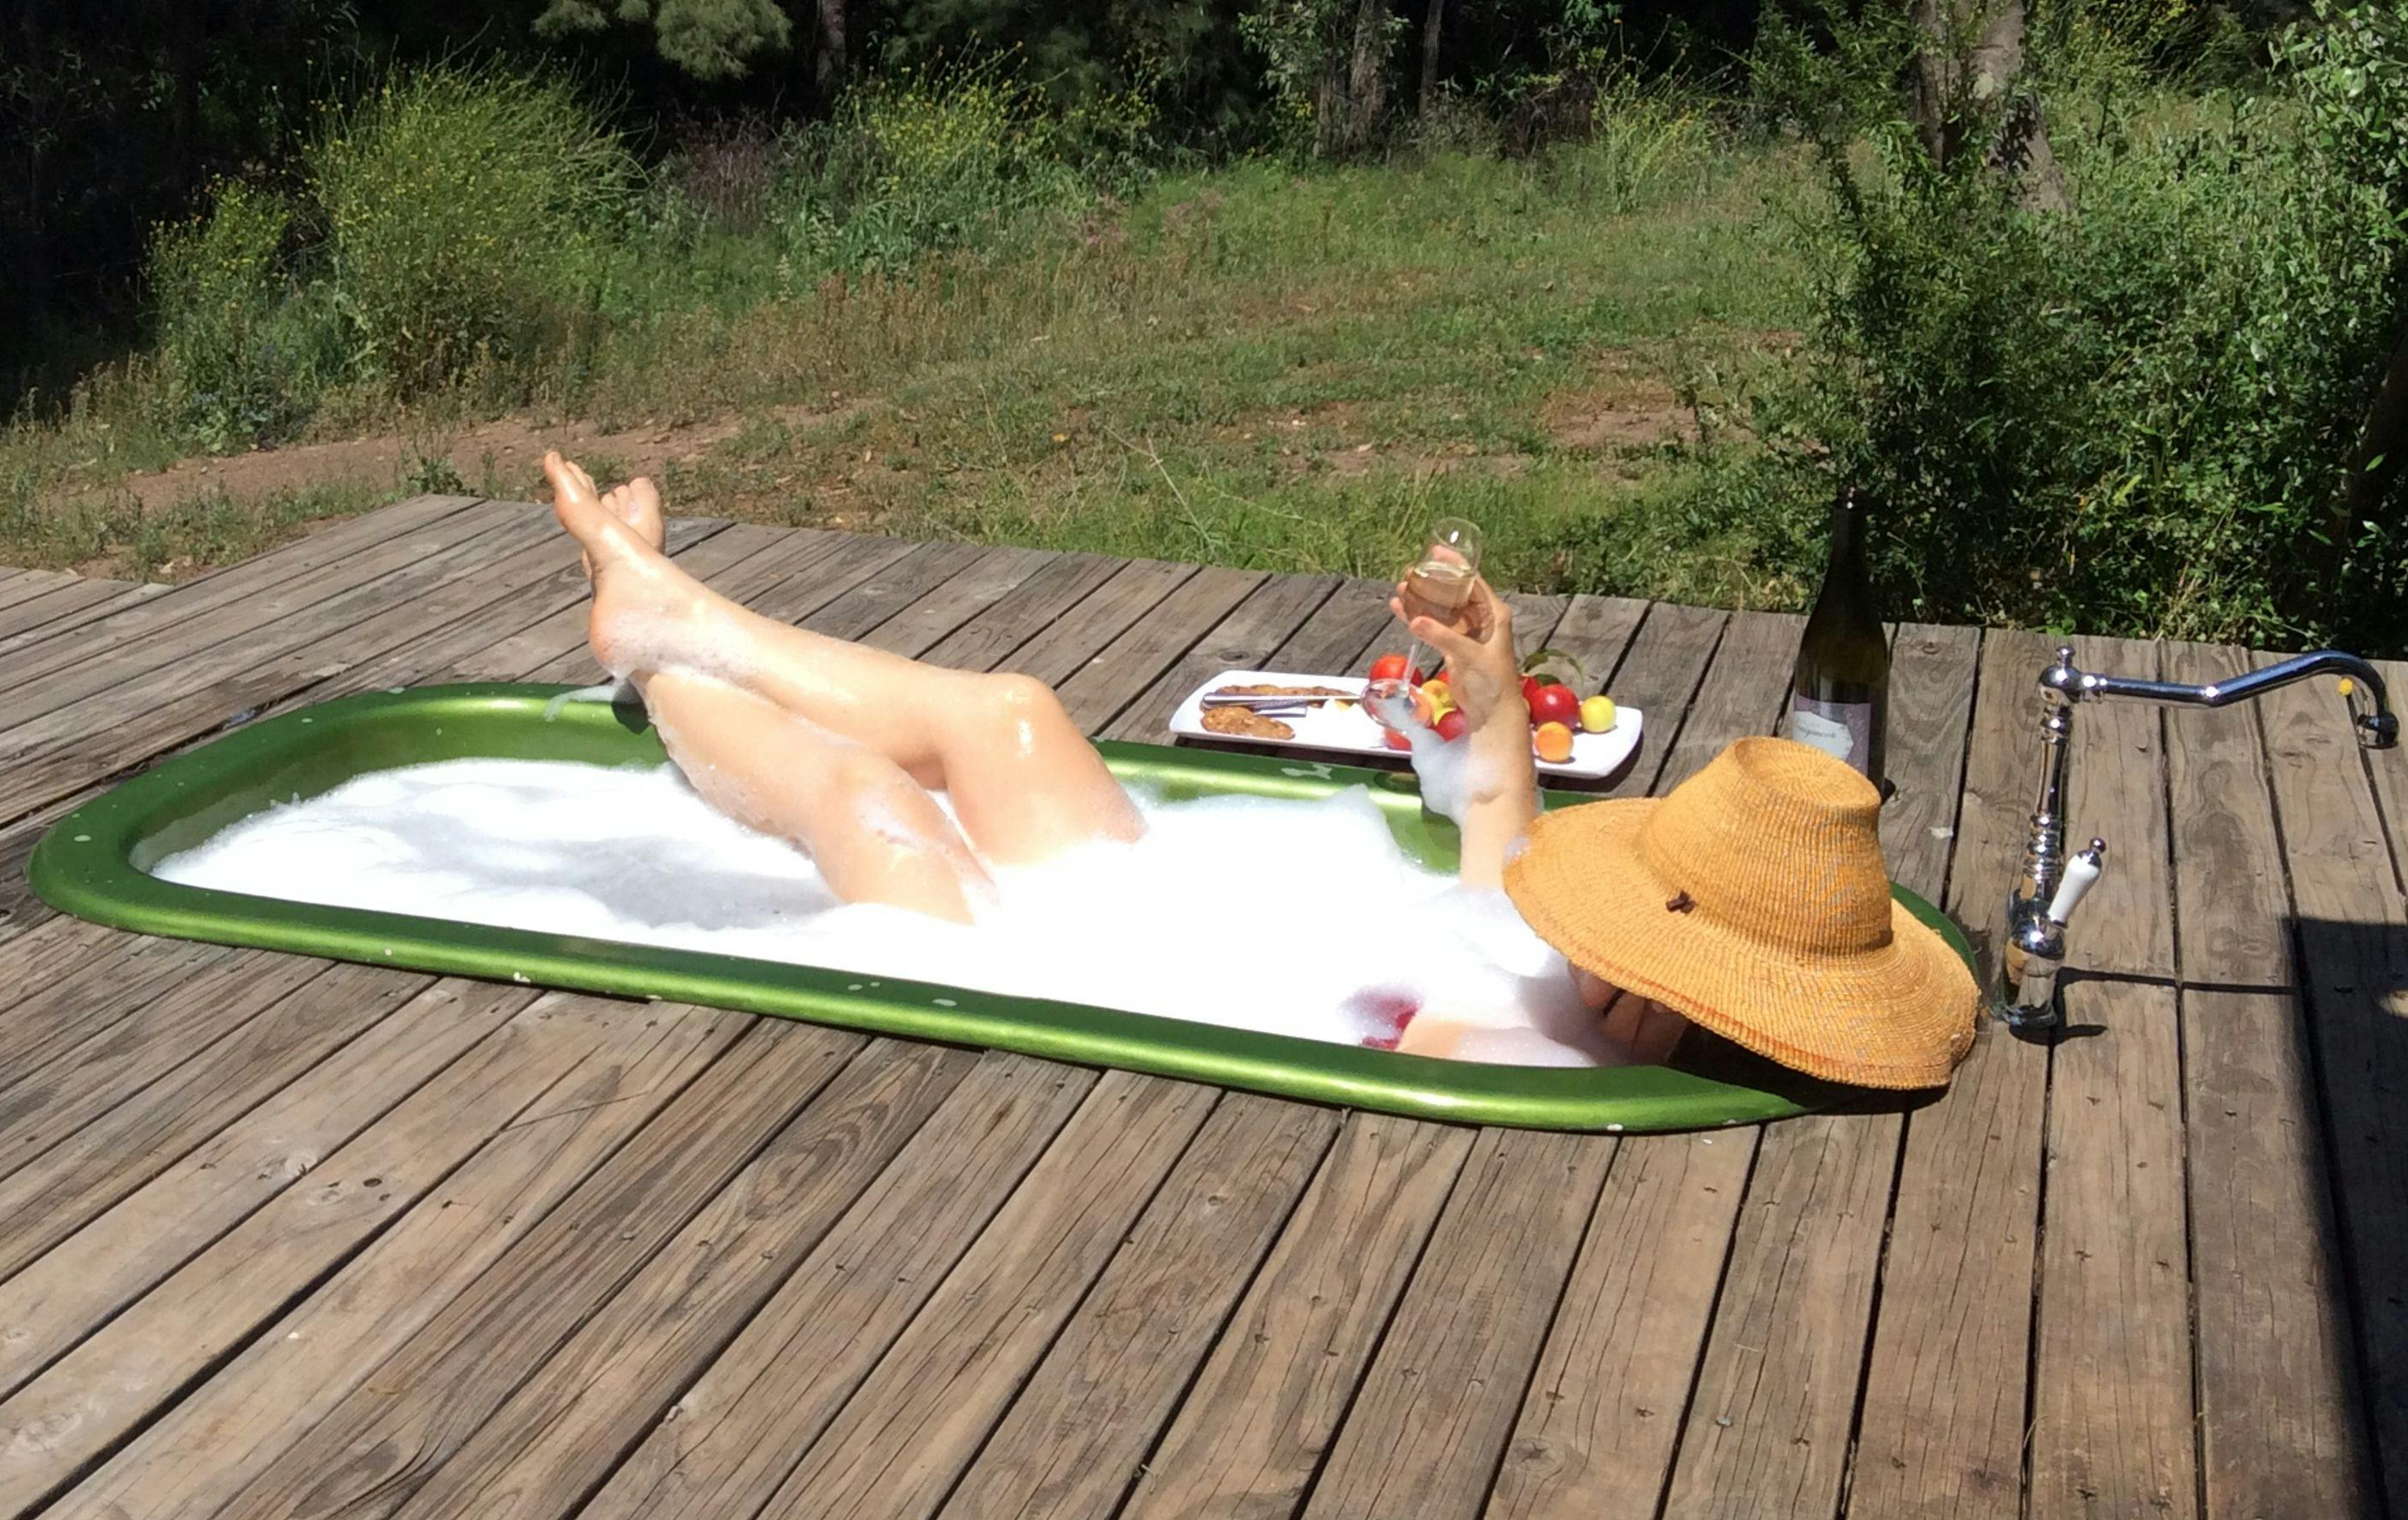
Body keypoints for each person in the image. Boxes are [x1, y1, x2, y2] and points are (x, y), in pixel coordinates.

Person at [538, 453, 1981, 1088]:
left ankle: (659, 643)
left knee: (870, 807)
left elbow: (1384, 1017)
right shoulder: (1564, 982)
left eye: (1652, 897)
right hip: (1154, 910)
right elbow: (1497, 836)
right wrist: (1490, 696)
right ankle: (665, 611)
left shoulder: (1543, 1045)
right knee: (1018, 715)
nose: (1618, 897)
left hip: (1064, 971)